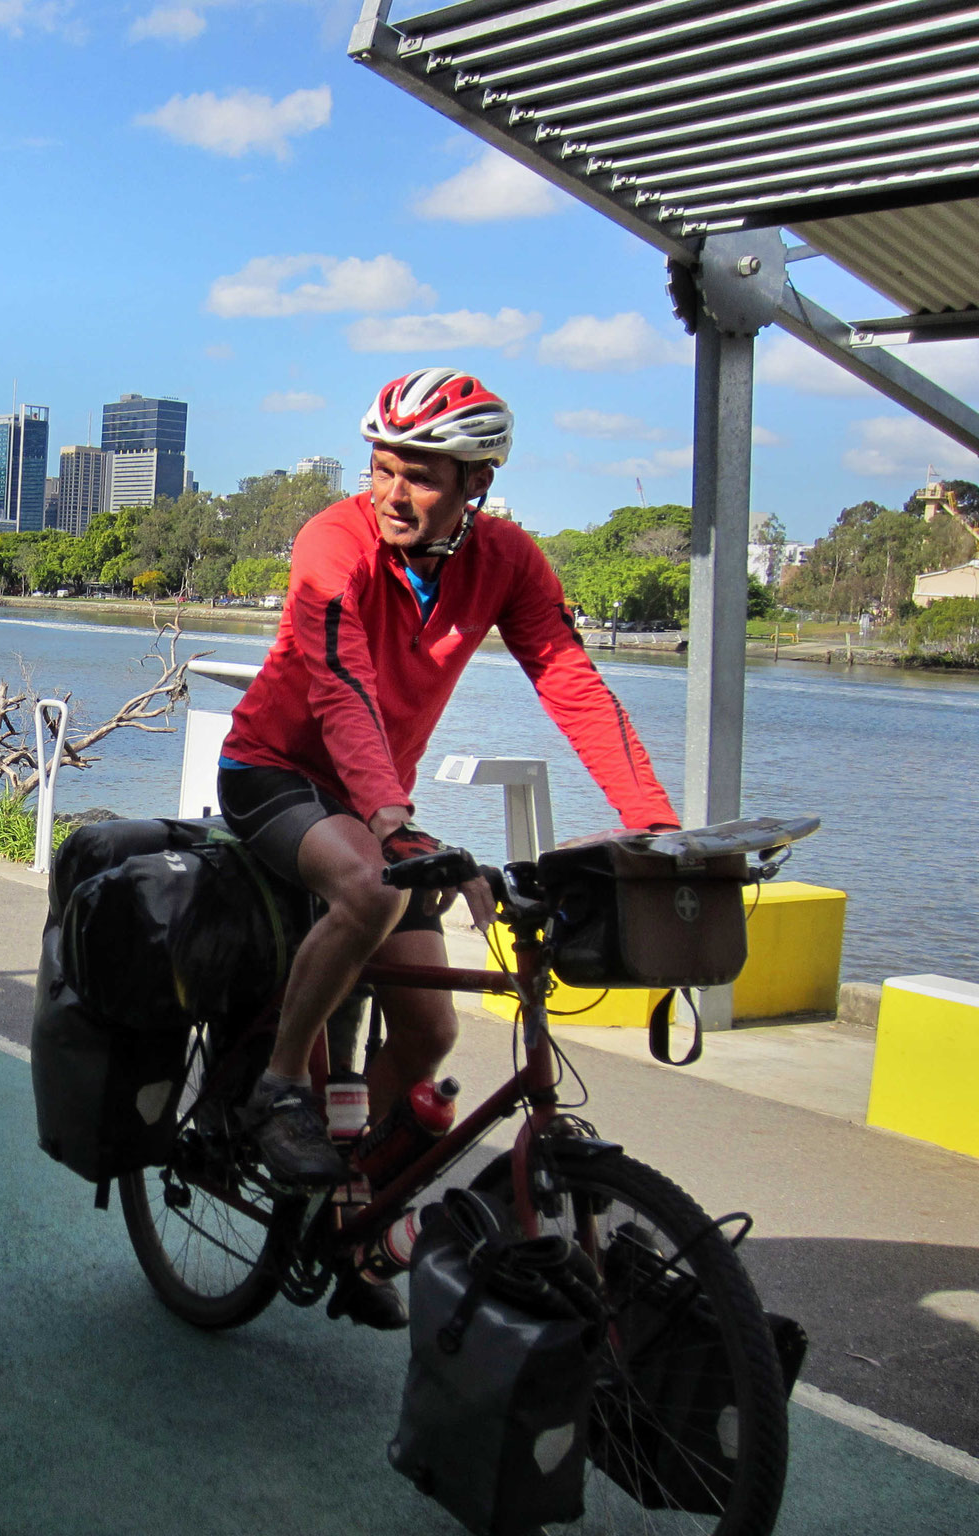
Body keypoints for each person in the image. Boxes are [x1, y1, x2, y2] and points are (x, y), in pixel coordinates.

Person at [216, 367, 680, 1327]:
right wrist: (390, 820)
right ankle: (273, 1091)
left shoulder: (507, 561)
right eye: (382, 468)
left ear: (478, 484)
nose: (391, 493)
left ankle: (349, 1207)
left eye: (420, 477)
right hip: (277, 772)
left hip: (375, 801)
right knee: (372, 888)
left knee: (429, 1033)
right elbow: (339, 685)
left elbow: (571, 681)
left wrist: (658, 824)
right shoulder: (331, 543)